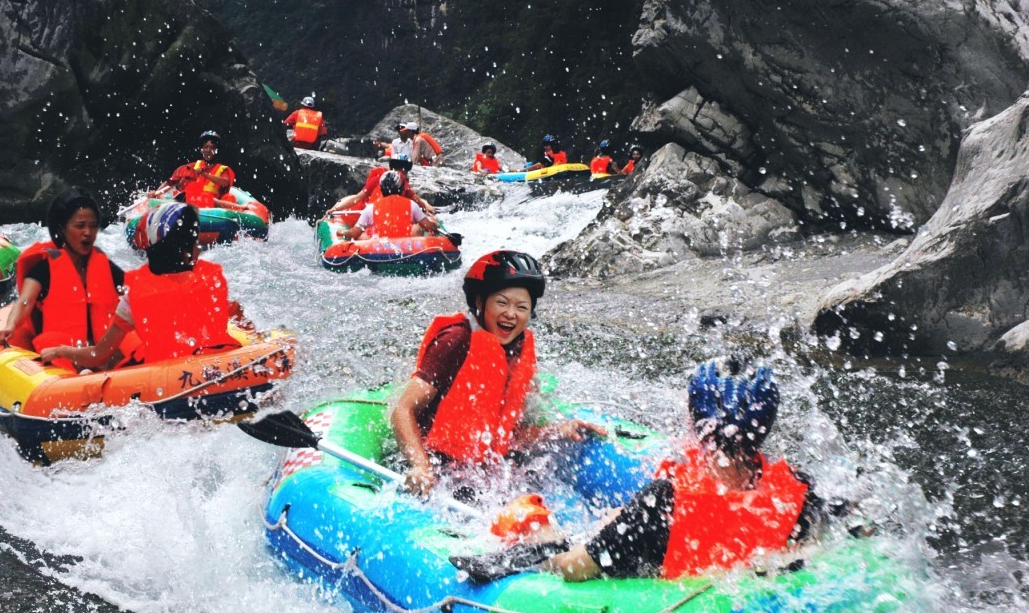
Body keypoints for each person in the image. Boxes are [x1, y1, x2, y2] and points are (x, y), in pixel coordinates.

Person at [452, 357, 828, 584]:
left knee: (536, 522)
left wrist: (542, 543)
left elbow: (571, 570)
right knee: (614, 521)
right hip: (732, 598)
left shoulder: (662, 503)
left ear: (697, 422)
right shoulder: (797, 489)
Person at [392, 250, 605, 499]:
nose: (511, 314)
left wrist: (559, 430)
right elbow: (403, 410)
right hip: (439, 465)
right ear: (480, 302)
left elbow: (510, 434)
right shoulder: (456, 340)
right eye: (502, 303)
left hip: (487, 467)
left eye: (521, 307)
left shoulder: (519, 349)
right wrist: (421, 466)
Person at [41, 202, 253, 370]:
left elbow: (98, 355)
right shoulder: (209, 281)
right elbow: (236, 311)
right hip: (221, 371)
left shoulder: (136, 296)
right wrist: (258, 341)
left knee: (110, 363)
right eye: (195, 242)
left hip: (165, 384)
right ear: (188, 251)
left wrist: (60, 351)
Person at [0, 189, 128, 367]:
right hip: (61, 355)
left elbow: (134, 294)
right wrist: (10, 326)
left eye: (93, 225)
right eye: (80, 226)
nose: (88, 232)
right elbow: (24, 302)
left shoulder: (105, 266)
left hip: (101, 352)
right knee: (51, 341)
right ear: (62, 229)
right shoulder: (44, 268)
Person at [339, 170, 439, 241]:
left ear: (382, 189)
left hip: (378, 251)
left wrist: (343, 233)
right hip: (407, 249)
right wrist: (435, 225)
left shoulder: (371, 208)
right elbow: (428, 227)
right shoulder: (412, 205)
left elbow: (354, 234)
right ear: (401, 189)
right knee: (418, 228)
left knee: (364, 235)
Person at [323, 164, 435, 219]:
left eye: (405, 171)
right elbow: (357, 198)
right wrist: (336, 209)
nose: (403, 174)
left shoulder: (404, 185)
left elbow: (418, 200)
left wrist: (427, 206)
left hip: (387, 216)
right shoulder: (377, 181)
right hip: (373, 214)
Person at [160, 131, 237, 209]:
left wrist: (204, 174)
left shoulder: (222, 169)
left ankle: (240, 207)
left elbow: (225, 182)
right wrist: (157, 192)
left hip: (211, 208)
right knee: (191, 188)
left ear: (217, 151)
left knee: (230, 198)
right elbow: (171, 181)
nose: (208, 150)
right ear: (202, 150)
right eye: (205, 147)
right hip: (191, 203)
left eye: (212, 147)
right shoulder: (192, 166)